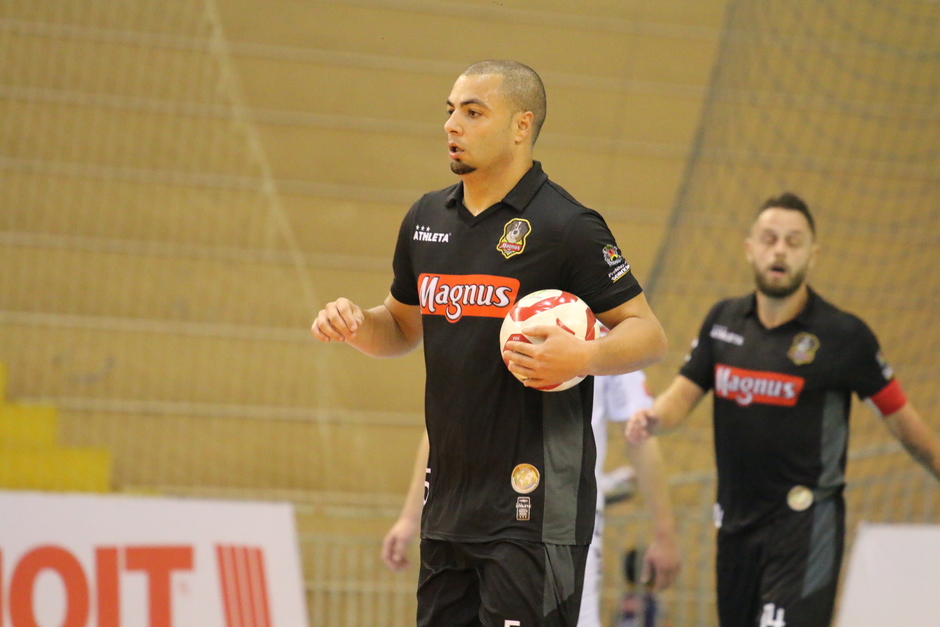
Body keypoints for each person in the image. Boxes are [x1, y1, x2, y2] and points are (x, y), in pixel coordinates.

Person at [313, 59, 667, 626]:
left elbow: (648, 334)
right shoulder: (426, 218)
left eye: (473, 112)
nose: (452, 124)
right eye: (450, 110)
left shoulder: (567, 226)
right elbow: (401, 327)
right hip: (449, 505)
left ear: (521, 125)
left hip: (536, 509)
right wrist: (357, 324)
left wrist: (585, 356)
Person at [625, 192, 940, 627]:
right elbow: (682, 394)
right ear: (750, 248)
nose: (780, 251)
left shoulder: (844, 337)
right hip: (736, 526)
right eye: (770, 239)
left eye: (793, 242)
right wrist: (653, 417)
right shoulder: (723, 321)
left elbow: (903, 422)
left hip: (805, 527)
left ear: (813, 255)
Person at [380, 371, 681, 627]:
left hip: (563, 520)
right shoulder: (476, 325)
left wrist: (664, 532)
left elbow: (639, 433)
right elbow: (443, 426)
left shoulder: (603, 328)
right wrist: (410, 518)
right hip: (471, 515)